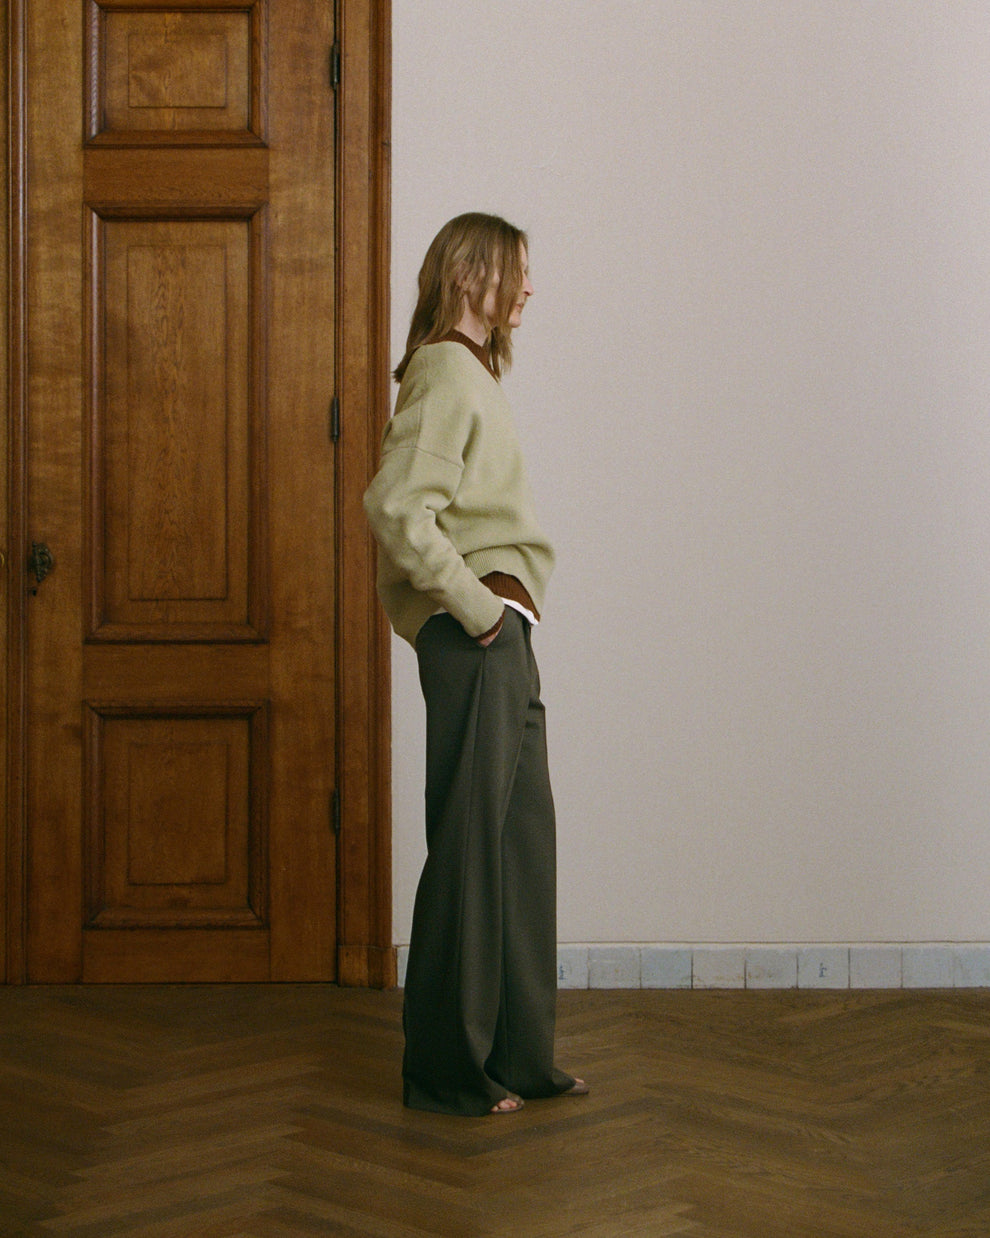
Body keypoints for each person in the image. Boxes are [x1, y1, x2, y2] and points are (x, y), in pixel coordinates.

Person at [363, 212, 588, 1116]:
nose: (529, 288)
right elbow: (395, 507)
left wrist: (504, 619)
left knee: (521, 845)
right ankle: (448, 1069)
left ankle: (522, 1054)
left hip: (507, 636)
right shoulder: (448, 371)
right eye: (517, 272)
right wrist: (476, 609)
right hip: (481, 639)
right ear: (471, 278)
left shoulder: (473, 374)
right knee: (469, 849)